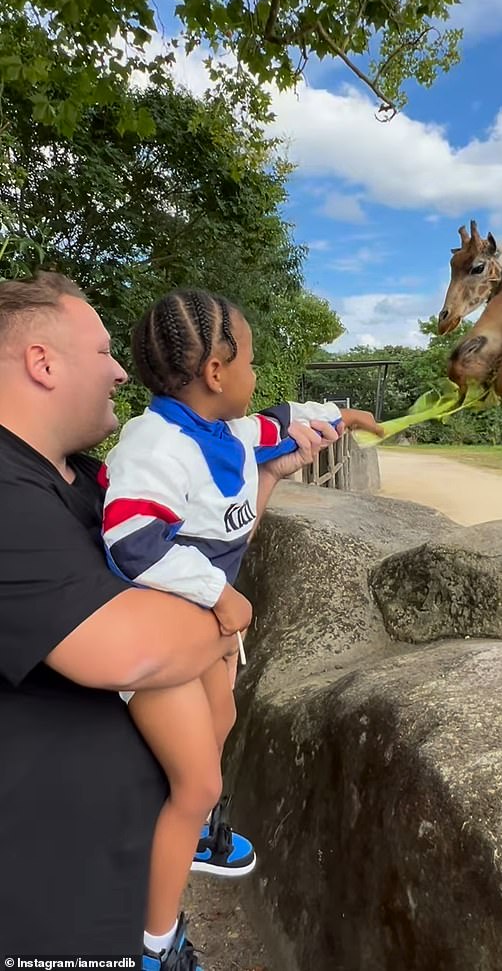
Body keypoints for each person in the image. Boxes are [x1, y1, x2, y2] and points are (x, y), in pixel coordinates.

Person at [0, 272, 345, 961]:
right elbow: (135, 652)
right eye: (102, 351)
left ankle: (173, 894)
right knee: (202, 777)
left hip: (110, 880)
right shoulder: (8, 494)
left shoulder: (77, 475)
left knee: (213, 739)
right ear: (42, 362)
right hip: (56, 921)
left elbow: (201, 550)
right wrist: (222, 614)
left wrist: (266, 479)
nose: (122, 369)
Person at [100, 288, 383, 966]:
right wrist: (215, 594)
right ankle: (154, 944)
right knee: (198, 781)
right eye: (251, 360)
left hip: (205, 631)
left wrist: (339, 416)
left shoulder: (226, 431)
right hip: (154, 637)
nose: (260, 377)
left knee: (222, 717)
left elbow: (281, 422)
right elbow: (130, 536)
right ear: (217, 373)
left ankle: (191, 829)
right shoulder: (156, 445)